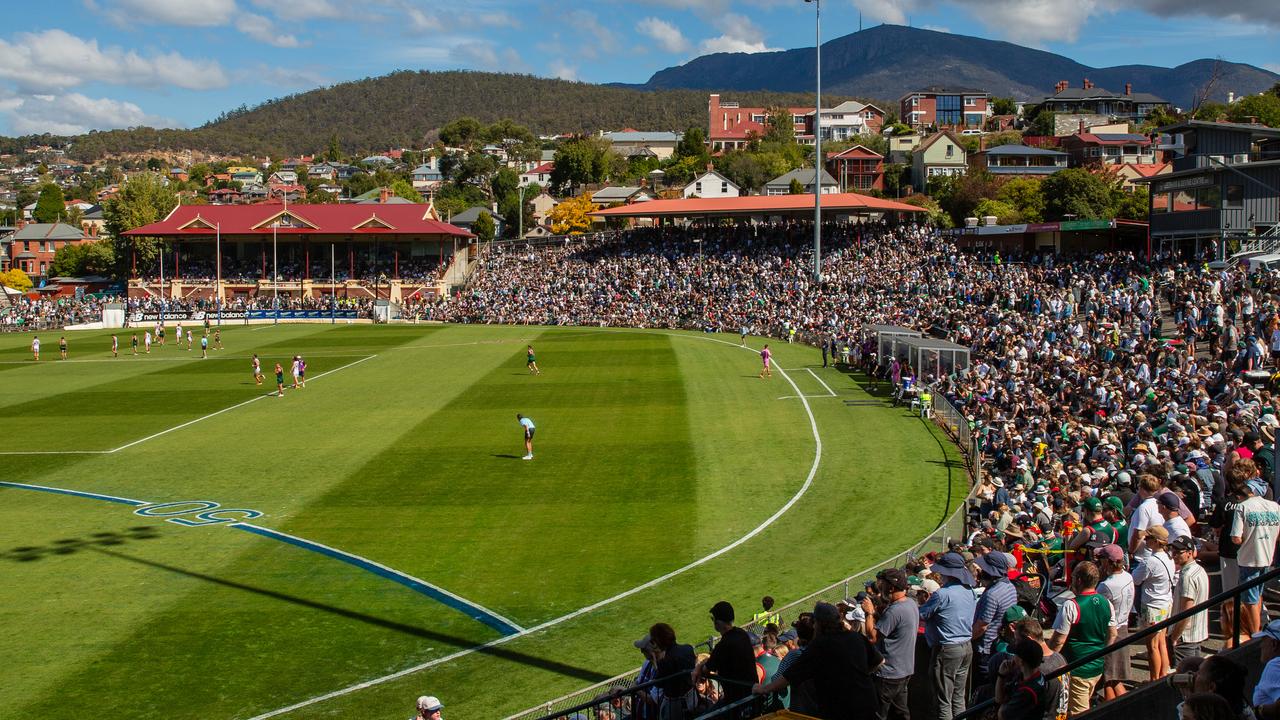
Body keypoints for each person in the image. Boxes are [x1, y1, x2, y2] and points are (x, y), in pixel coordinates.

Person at [752, 601, 883, 719]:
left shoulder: (819, 646)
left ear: (819, 624)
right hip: (868, 704)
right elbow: (879, 661)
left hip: (842, 711)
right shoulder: (856, 637)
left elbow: (789, 677)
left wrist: (764, 689)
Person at [1049, 560, 1113, 716]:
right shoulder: (1107, 603)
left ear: (1078, 580)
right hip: (1096, 666)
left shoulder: (1071, 605)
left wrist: (1047, 660)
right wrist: (1102, 652)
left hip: (1077, 668)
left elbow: (1058, 641)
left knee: (1080, 713)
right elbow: (1113, 633)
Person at [919, 552, 977, 720]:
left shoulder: (942, 594)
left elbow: (922, 614)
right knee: (958, 698)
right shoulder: (969, 591)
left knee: (943, 701)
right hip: (966, 646)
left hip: (947, 649)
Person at [1230, 459, 1280, 639]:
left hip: (1249, 557)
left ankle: (1255, 633)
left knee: (1250, 598)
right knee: (1258, 595)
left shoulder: (1242, 507)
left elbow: (1236, 538)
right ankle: (1257, 628)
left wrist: (1246, 538)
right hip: (1267, 555)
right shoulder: (1274, 506)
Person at [862, 567, 918, 720]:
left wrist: (869, 613)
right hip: (904, 670)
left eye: (883, 584)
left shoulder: (895, 610)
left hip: (888, 673)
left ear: (892, 587)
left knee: (878, 714)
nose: (880, 587)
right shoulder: (911, 603)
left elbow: (872, 637)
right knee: (900, 714)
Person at [1132, 525, 1174, 680]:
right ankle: (1163, 673)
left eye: (1148, 538)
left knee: (1152, 646)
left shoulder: (1150, 561)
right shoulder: (1169, 557)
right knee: (1161, 642)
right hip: (1165, 602)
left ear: (1156, 542)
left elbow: (1135, 579)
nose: (1145, 540)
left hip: (1152, 605)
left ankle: (1154, 678)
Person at [695, 601, 756, 707]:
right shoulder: (742, 634)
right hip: (751, 694)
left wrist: (699, 666)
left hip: (737, 701)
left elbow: (706, 669)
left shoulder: (723, 645)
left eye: (713, 619)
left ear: (718, 623)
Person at [1094, 544, 1134, 701]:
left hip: (1110, 632)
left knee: (1108, 680)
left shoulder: (1106, 585)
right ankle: (1128, 707)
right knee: (1114, 678)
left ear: (1109, 562)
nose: (1099, 562)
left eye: (1102, 559)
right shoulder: (1128, 576)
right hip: (1123, 626)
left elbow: (1096, 606)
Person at [973, 551, 1018, 681]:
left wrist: (966, 640)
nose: (980, 571)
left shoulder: (992, 594)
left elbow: (982, 626)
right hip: (997, 645)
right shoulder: (1010, 586)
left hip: (985, 649)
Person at [993, 638, 1062, 720]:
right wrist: (1001, 675)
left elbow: (1002, 715)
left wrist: (1004, 706)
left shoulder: (1028, 691)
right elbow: (999, 699)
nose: (1012, 658)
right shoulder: (1030, 676)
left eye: (1015, 655)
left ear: (1021, 661)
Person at [1168, 535, 1209, 666]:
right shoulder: (1200, 570)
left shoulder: (1187, 576)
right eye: (1172, 552)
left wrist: (1175, 636)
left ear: (1190, 553)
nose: (1174, 555)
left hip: (1185, 637)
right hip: (1197, 633)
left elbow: (1187, 611)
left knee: (1184, 677)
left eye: (1178, 552)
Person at [650, 622, 697, 717]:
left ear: (658, 641)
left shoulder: (665, 661)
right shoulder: (688, 648)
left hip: (674, 705)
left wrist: (656, 660)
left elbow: (659, 683)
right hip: (692, 697)